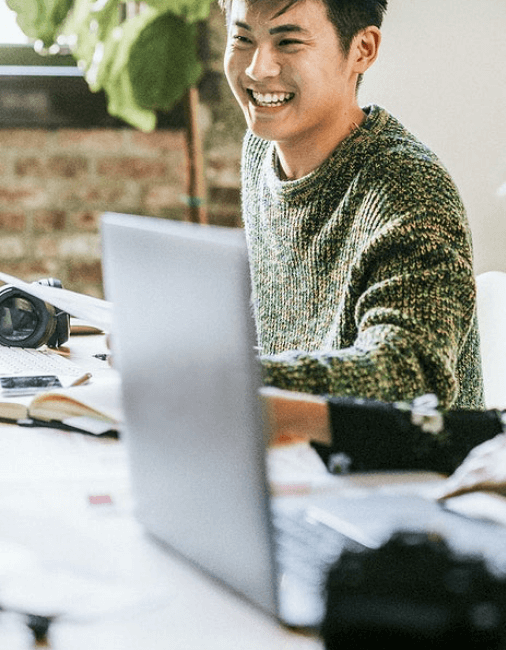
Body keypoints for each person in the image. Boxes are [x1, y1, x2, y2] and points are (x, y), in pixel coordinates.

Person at [220, 0, 484, 422]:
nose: (257, 68)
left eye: (288, 42)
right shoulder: (261, 150)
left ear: (362, 49)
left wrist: (226, 376)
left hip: (400, 460)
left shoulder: (408, 189)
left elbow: (405, 376)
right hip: (296, 442)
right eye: (242, 39)